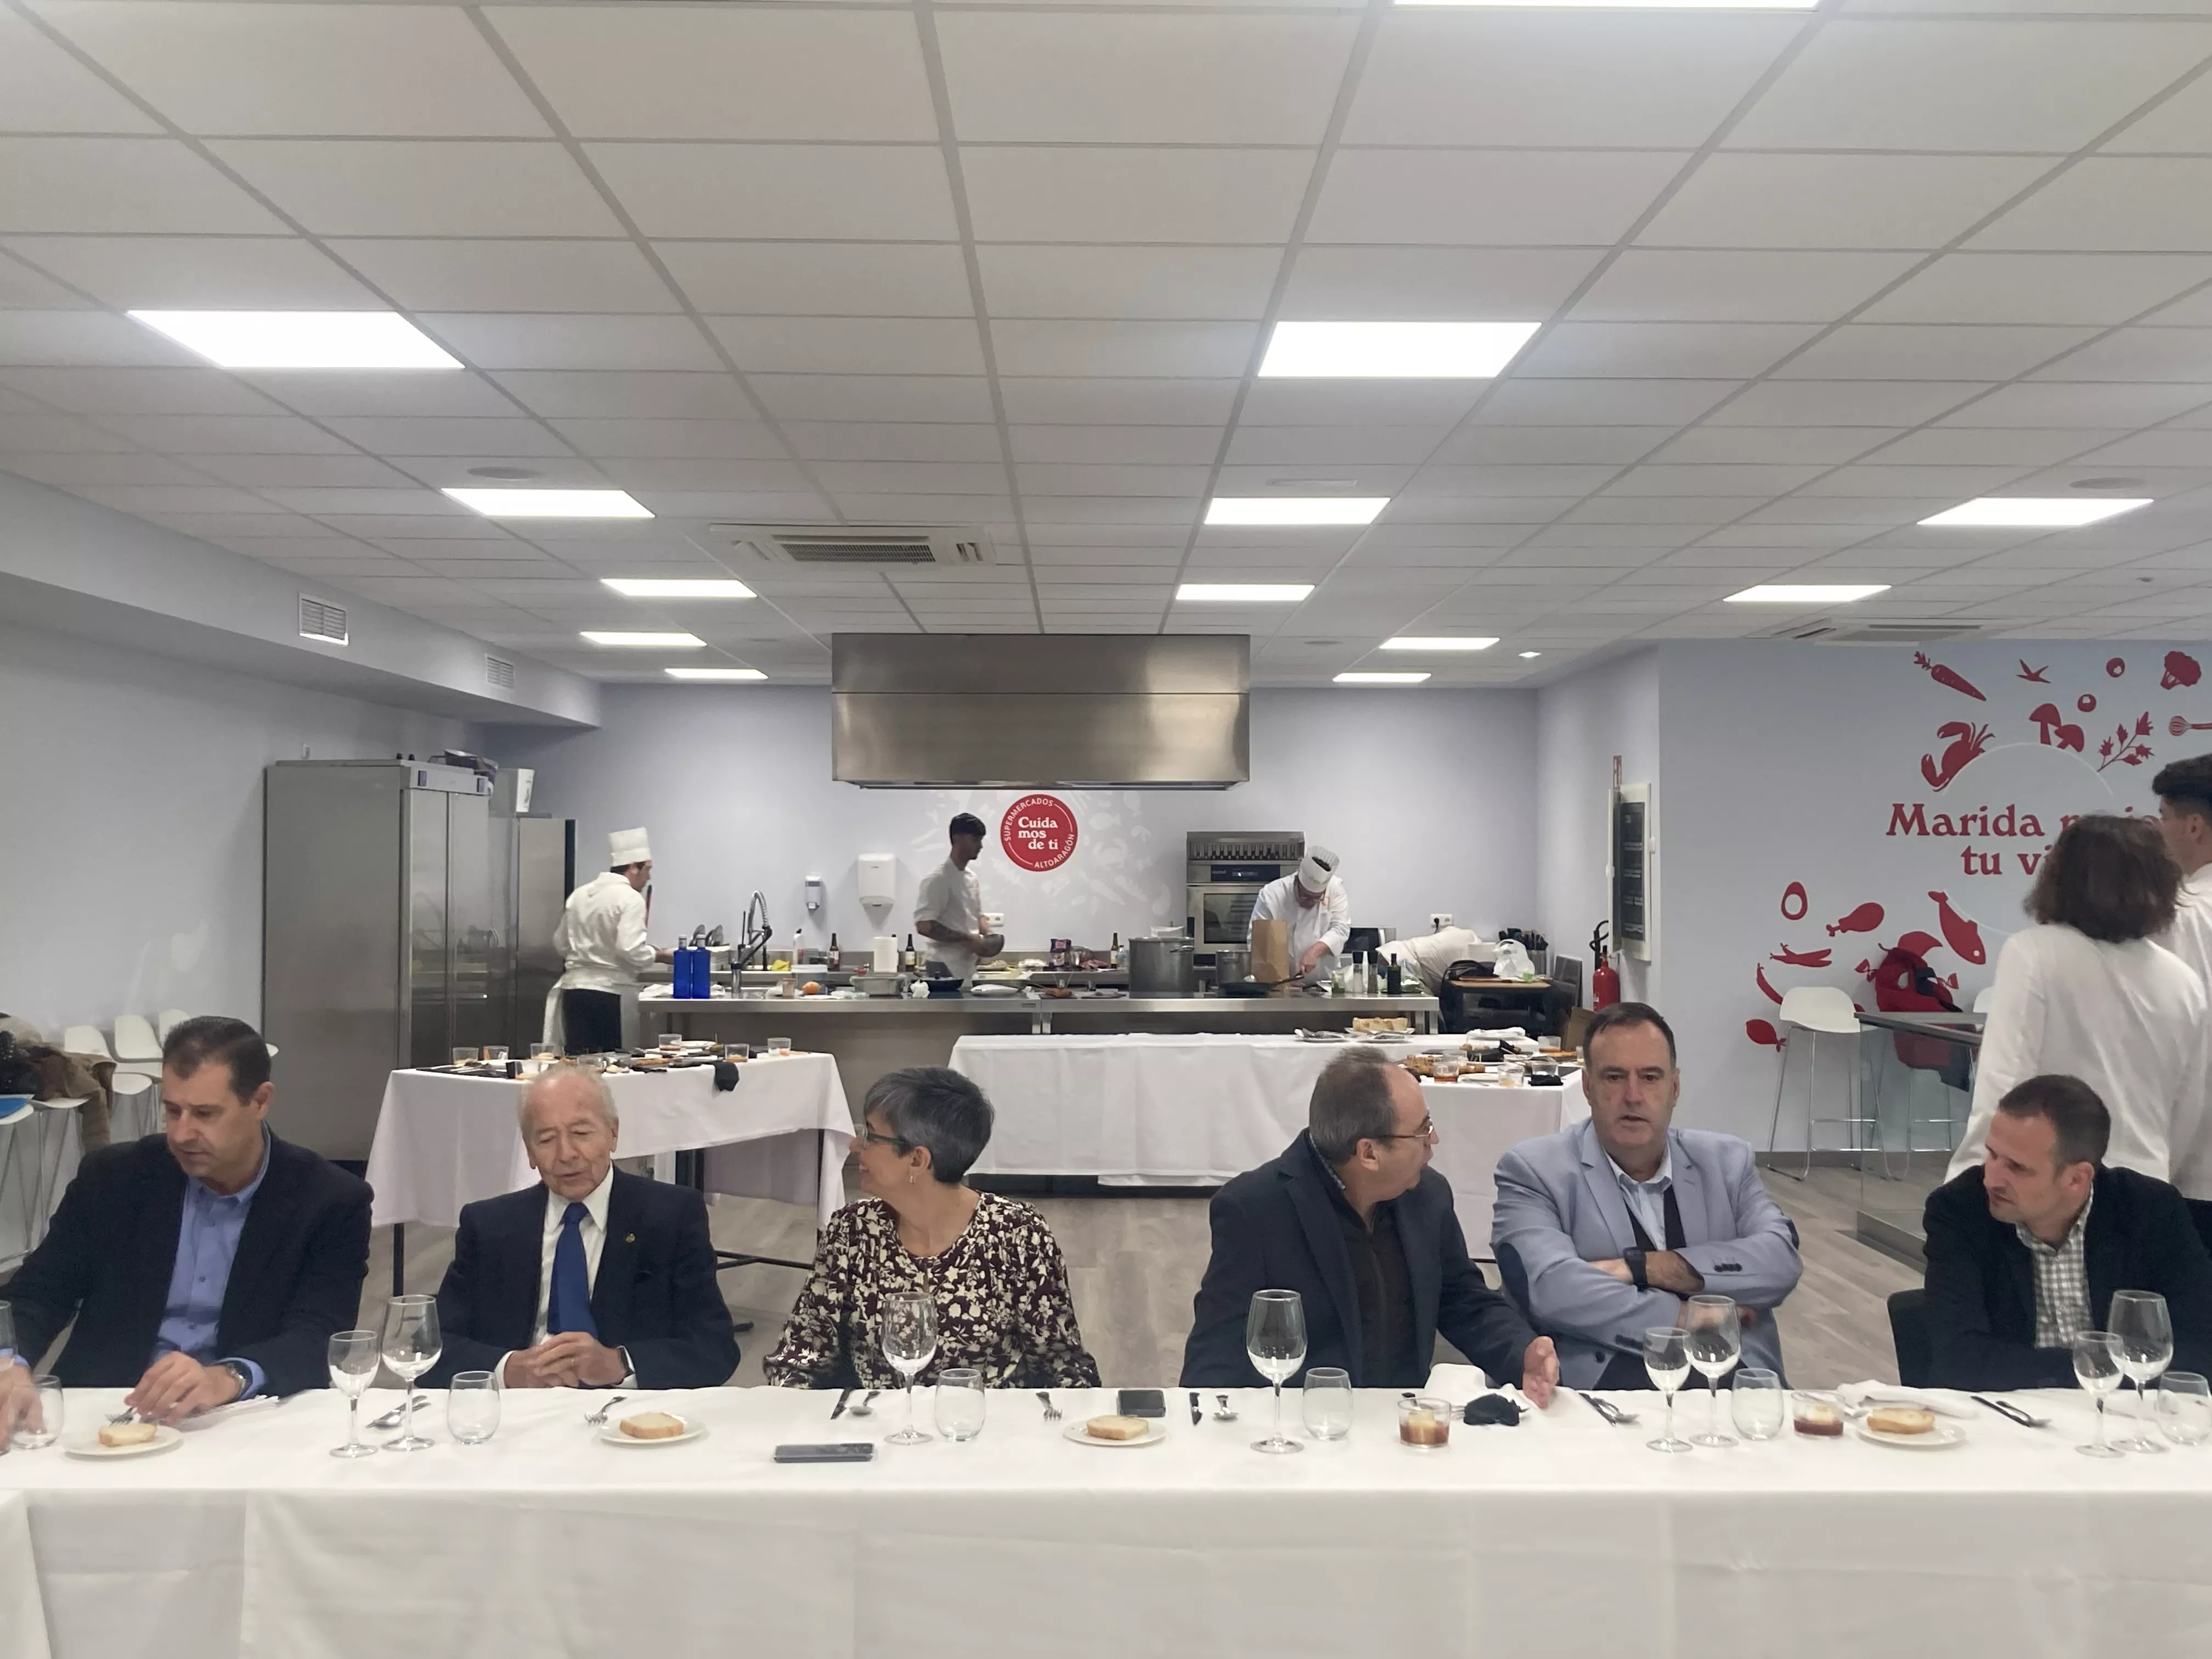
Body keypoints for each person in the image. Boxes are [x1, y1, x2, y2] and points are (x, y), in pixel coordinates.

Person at [0, 1017, 369, 1436]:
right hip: (108, 1404)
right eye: (172, 1111)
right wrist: (11, 1362)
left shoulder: (328, 1199)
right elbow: (38, 1293)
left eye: (205, 1114)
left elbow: (316, 1337)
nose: (182, 1133)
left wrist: (227, 1376)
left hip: (241, 1418)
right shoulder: (115, 1178)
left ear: (261, 1101)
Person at [1181, 1046, 1558, 1400]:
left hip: (1404, 1429)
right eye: (1423, 1129)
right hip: (1303, 1436)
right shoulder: (1256, 1210)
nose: (1435, 1140)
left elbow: (1463, 1299)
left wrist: (1519, 1351)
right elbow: (1214, 1360)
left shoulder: (1427, 1196)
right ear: (1369, 1152)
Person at [1491, 1001, 1803, 1389]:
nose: (1633, 1096)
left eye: (1650, 1077)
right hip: (1604, 1384)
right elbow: (1549, 1289)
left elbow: (1779, 1262)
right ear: (1588, 1087)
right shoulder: (1534, 1170)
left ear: (1674, 1087)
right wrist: (1686, 1319)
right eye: (1615, 1077)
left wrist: (1649, 1267)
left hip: (1730, 1379)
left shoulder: (1727, 1161)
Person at [766, 1068, 1099, 1389]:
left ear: (917, 1160)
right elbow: (801, 1355)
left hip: (985, 1432)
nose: (855, 1146)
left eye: (870, 1135)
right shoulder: (851, 1231)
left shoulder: (1017, 1234)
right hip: (877, 1431)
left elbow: (1063, 1365)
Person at [425, 1064, 738, 1389]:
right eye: (546, 1139)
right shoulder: (490, 1226)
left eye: (581, 1134)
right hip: (516, 1412)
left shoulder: (670, 1217)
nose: (566, 1154)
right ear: (530, 1152)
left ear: (613, 1133)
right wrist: (508, 1369)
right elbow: (432, 1347)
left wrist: (620, 1364)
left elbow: (715, 1348)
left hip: (626, 1413)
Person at [1947, 813, 2210, 1189]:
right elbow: (2187, 1108)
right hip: (2145, 1185)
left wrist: (1973, 1177)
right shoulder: (2182, 980)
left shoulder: (2034, 954)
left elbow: (2004, 1081)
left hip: (2047, 1185)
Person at [1922, 1073, 2212, 1390]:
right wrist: (2100, 1367)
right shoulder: (1959, 1211)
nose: (1992, 1179)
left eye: (2017, 1168)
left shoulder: (2151, 1211)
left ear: (2076, 1179)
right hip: (2006, 1419)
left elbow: (2196, 1351)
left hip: (2125, 1422)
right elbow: (1959, 1361)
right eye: (1991, 1154)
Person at [2154, 754, 2212, 1251]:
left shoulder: (2184, 917)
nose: (2161, 830)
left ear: (2194, 826)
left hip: (2199, 1168)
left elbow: (2175, 1042)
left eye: (2165, 817)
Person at [548, 826, 673, 1055]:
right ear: (634, 867)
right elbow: (630, 950)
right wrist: (660, 955)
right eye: (648, 869)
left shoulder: (580, 894)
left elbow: (561, 944)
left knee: (579, 1067)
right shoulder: (631, 899)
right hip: (609, 995)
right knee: (614, 1065)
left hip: (574, 993)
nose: (649, 877)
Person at [914, 812, 1003, 982]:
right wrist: (968, 939)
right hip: (944, 964)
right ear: (958, 839)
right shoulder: (938, 879)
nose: (981, 846)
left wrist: (989, 937)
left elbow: (977, 916)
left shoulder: (971, 878)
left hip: (967, 965)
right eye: (976, 840)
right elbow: (924, 926)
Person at [1249, 844, 1351, 985]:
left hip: (1323, 983)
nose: (1310, 902)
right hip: (1280, 982)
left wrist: (1314, 952)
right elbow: (1257, 939)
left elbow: (1341, 929)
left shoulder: (1335, 889)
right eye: (1305, 896)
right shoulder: (1272, 894)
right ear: (1296, 882)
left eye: (1316, 898)